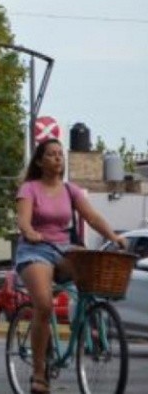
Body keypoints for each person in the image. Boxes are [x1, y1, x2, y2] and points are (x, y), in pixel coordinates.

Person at [15, 138, 127, 394]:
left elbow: (93, 217)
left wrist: (113, 236)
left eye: (60, 154)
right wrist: (30, 231)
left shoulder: (70, 190)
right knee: (44, 305)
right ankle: (39, 373)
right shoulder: (29, 189)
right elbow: (23, 220)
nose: (58, 158)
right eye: (51, 154)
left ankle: (91, 325)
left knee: (92, 272)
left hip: (63, 248)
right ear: (40, 161)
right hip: (35, 250)